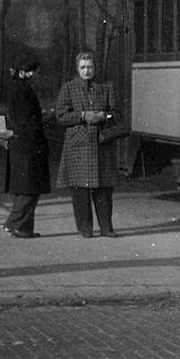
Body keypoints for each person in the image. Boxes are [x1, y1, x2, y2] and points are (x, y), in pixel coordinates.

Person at [54, 50, 122, 238]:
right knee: (80, 189)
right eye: (83, 67)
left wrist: (103, 115)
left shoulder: (105, 88)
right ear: (77, 69)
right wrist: (82, 116)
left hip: (101, 145)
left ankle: (107, 227)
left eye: (90, 67)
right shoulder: (68, 88)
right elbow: (60, 116)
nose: (87, 71)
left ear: (95, 68)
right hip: (78, 145)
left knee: (104, 188)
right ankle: (85, 228)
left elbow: (116, 114)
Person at [1, 55, 50, 239]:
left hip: (21, 145)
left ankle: (24, 229)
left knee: (25, 187)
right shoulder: (23, 91)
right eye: (36, 72)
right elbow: (27, 120)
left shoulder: (17, 89)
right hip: (29, 145)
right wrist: (39, 136)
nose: (38, 75)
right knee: (31, 188)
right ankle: (12, 223)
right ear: (27, 72)